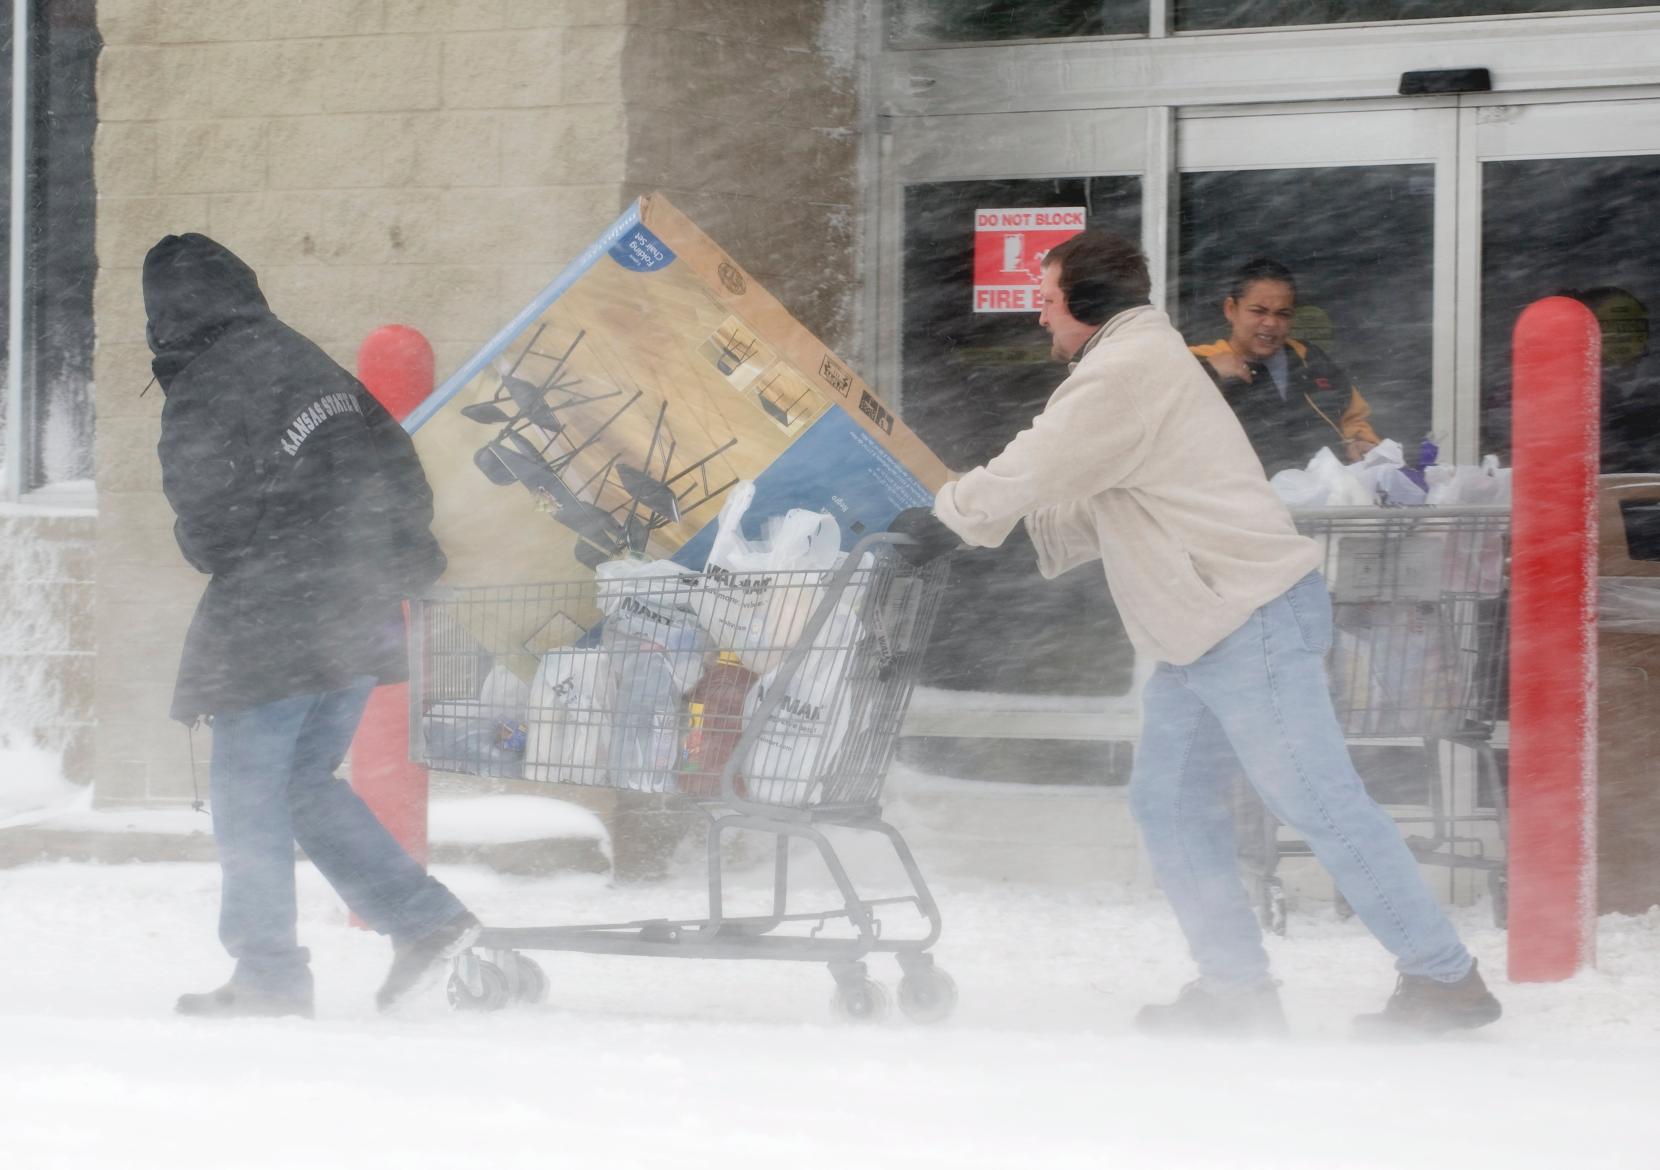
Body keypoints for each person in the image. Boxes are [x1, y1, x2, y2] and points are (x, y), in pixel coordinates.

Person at [889, 231, 1500, 1036]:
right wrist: (980, 535)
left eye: (1045, 302)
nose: (1040, 319)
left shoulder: (1124, 372)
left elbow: (1037, 464)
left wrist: (952, 519)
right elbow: (1093, 490)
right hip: (1203, 627)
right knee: (1170, 805)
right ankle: (1235, 989)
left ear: (1088, 304)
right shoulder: (1138, 365)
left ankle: (1442, 979)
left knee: (1318, 798)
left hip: (1245, 616)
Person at [145, 233, 480, 1019]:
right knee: (301, 786)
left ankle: (267, 974)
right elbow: (402, 472)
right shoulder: (308, 361)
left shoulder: (208, 383)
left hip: (275, 621)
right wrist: (378, 560)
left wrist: (255, 548)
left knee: (248, 800)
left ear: (164, 315)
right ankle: (426, 921)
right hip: (357, 617)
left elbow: (212, 529)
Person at [1189, 258, 1379, 475]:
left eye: (1282, 314)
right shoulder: (1194, 362)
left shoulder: (1311, 359)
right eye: (1259, 311)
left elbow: (1354, 420)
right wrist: (1209, 372)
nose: (1270, 323)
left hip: (1323, 501)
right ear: (1231, 309)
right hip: (1236, 500)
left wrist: (1360, 443)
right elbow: (1157, 418)